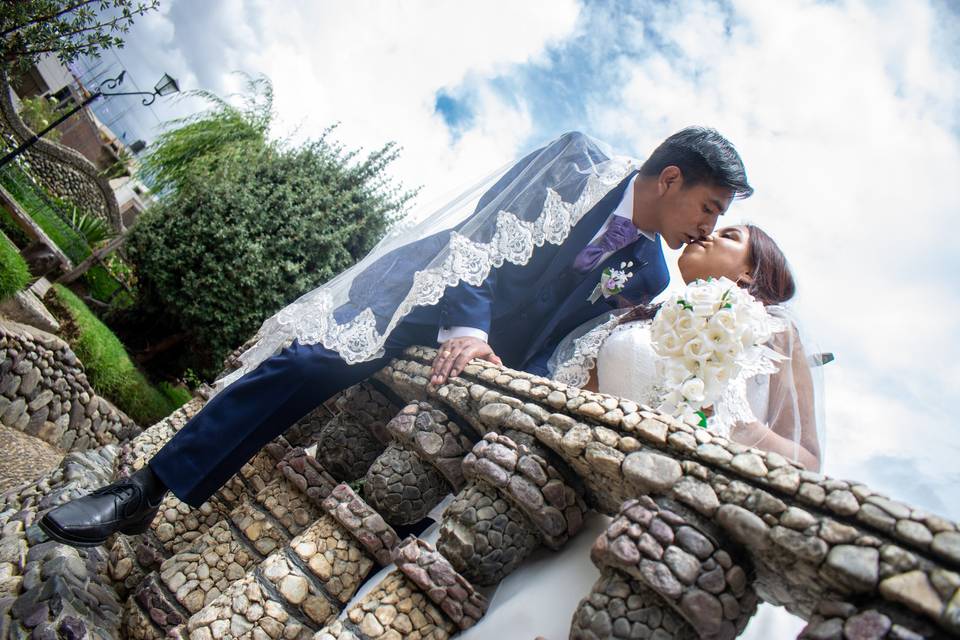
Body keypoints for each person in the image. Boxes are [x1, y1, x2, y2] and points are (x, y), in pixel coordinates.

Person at [39, 127, 754, 548]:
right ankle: (144, 489)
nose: (705, 225)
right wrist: (467, 328)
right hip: (430, 292)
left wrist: (510, 384)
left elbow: (563, 342)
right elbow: (480, 238)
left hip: (486, 366)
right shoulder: (577, 161)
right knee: (307, 366)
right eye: (709, 207)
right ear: (668, 178)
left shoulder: (651, 272)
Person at [549, 223, 822, 470]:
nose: (707, 234)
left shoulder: (775, 333)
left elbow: (807, 462)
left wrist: (737, 425)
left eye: (728, 236)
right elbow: (572, 399)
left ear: (749, 274)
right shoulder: (635, 318)